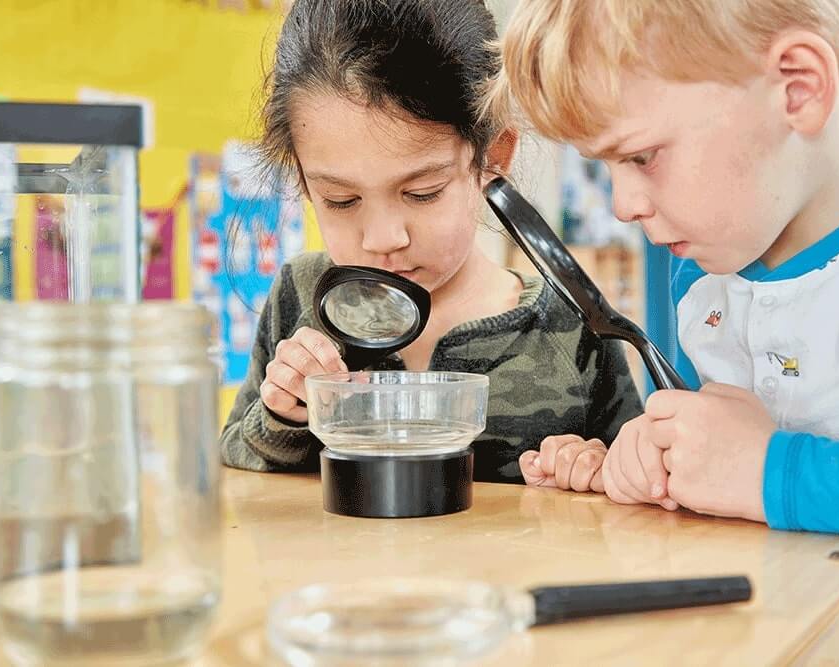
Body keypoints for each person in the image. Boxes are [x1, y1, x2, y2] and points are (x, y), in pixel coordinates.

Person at [493, 0, 839, 662]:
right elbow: (727, 479)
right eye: (604, 166)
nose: (623, 204)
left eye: (641, 155)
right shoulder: (704, 277)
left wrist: (766, 469)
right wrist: (656, 462)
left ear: (798, 86)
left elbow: (757, 473)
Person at [218, 0, 642, 484]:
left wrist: (598, 468)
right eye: (340, 200)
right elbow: (236, 457)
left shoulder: (573, 323)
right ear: (303, 180)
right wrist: (285, 413)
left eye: (422, 193)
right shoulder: (300, 297)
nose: (383, 239)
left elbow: (642, 469)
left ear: (493, 156)